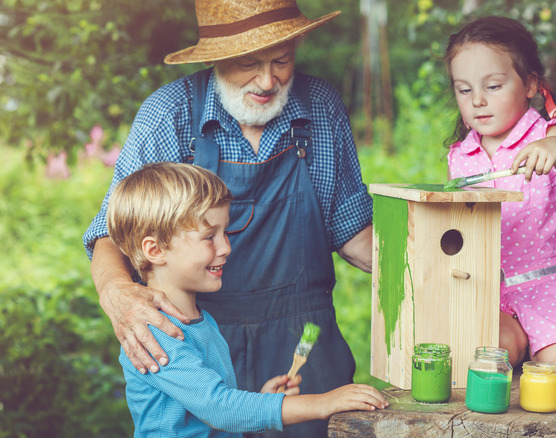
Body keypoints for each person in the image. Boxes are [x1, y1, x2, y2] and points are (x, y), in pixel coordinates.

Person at [83, 1, 374, 435]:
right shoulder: (171, 113)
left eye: (282, 60)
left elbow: (353, 230)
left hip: (302, 336)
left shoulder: (321, 106)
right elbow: (113, 232)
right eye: (247, 63)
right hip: (201, 322)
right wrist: (117, 293)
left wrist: (435, 266)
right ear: (215, 57)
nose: (268, 80)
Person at [106, 162, 387, 436]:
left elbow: (212, 413)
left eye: (225, 232)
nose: (226, 247)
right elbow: (219, 408)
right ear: (155, 250)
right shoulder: (155, 335)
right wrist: (323, 403)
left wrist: (260, 399)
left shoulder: (203, 321)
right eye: (209, 237)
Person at [444, 16, 556, 381]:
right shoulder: (460, 156)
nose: (477, 100)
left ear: (529, 85)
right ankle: (525, 339)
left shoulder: (549, 136)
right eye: (464, 90)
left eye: (493, 86)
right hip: (491, 291)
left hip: (546, 285)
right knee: (487, 353)